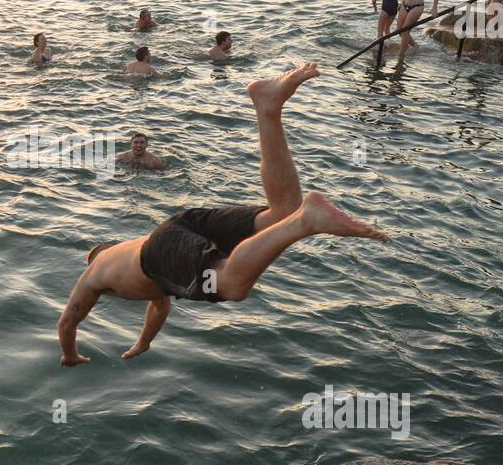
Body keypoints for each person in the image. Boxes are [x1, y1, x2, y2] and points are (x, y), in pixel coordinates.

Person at [58, 64, 387, 366]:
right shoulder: (129, 258)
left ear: (93, 260)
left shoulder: (94, 275)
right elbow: (160, 304)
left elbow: (68, 319)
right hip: (179, 225)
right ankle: (268, 107)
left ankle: (308, 221)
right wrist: (143, 342)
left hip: (159, 254)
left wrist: (70, 354)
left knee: (231, 285)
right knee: (282, 211)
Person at [396, 0, 438, 67]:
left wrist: (434, 8)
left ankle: (401, 55)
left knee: (405, 30)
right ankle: (415, 45)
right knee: (399, 30)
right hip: (405, 5)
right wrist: (401, 3)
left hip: (417, 6)